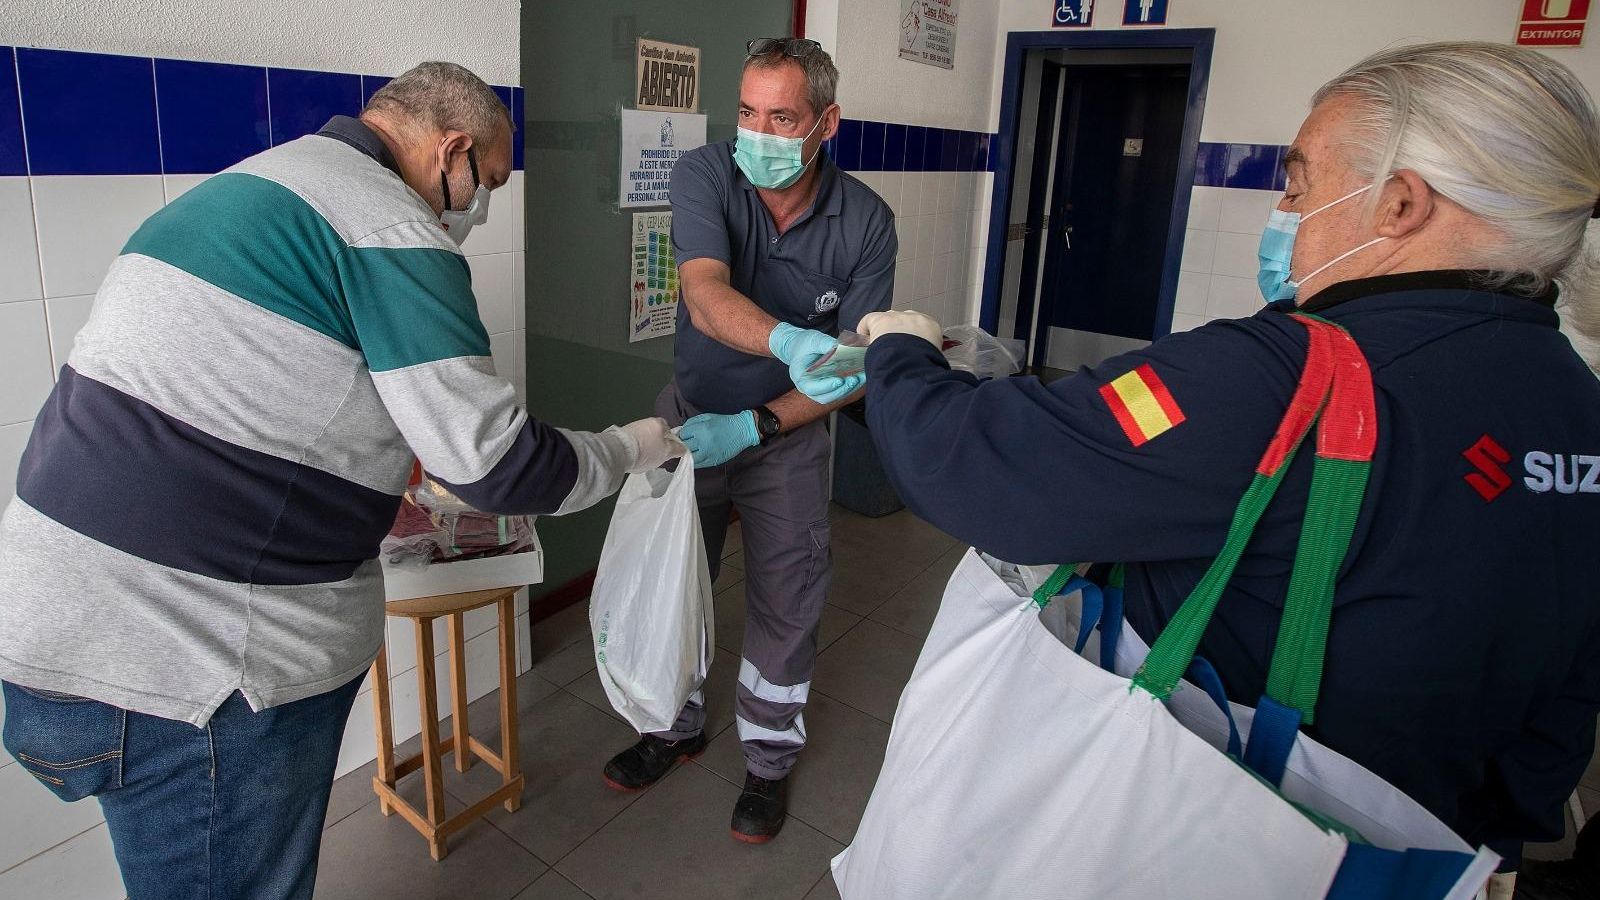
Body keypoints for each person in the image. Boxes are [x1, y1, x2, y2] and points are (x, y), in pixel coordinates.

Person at [850, 42, 1600, 887]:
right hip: (1427, 849)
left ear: (1398, 203)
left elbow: (971, 464)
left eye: (1301, 183)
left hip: (1224, 820)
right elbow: (1568, 691)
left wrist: (903, 353)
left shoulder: (1284, 374)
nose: (1286, 210)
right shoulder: (1576, 397)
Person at [0, 61, 679, 899]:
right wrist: (637, 444)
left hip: (62, 632)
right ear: (452, 151)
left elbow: (251, 392)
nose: (481, 203)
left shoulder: (259, 183)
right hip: (196, 673)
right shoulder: (387, 224)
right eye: (489, 181)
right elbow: (498, 466)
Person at [599, 37, 896, 844]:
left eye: (782, 117)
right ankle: (673, 726)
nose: (757, 133)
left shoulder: (866, 222)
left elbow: (856, 369)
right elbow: (703, 292)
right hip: (691, 420)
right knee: (675, 582)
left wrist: (762, 421)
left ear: (826, 123)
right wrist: (793, 343)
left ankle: (767, 760)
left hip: (787, 437)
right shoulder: (705, 173)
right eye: (747, 112)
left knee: (787, 598)